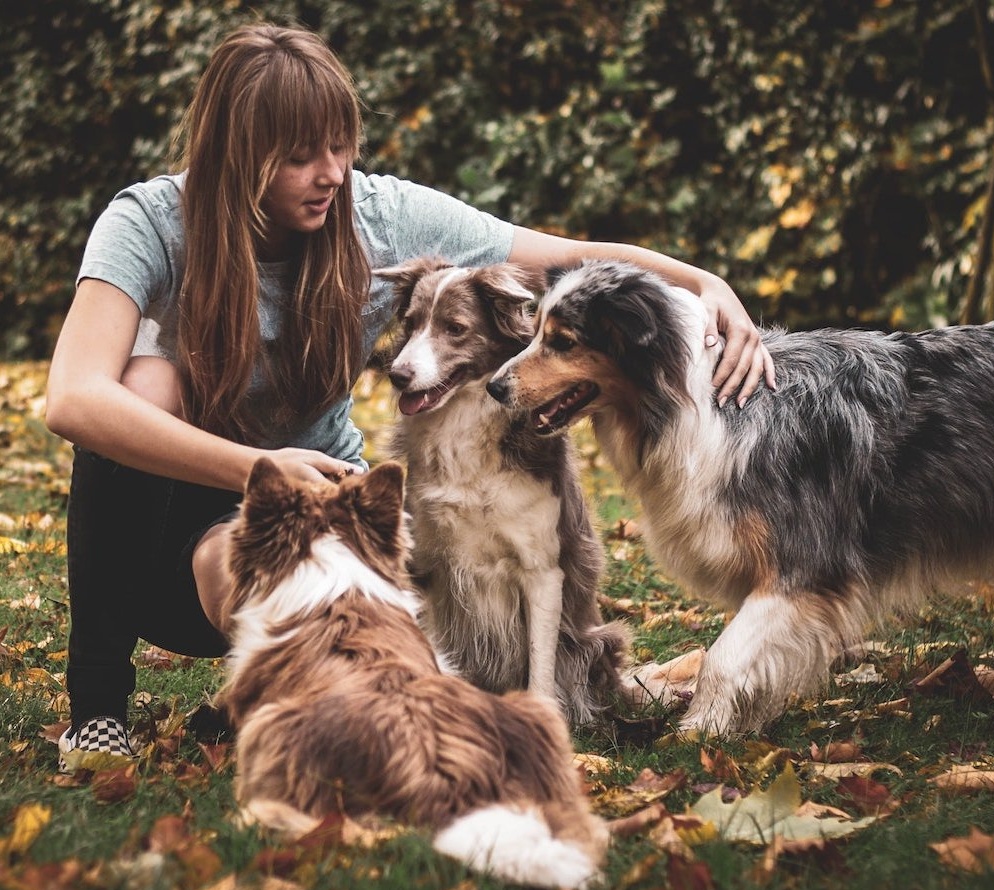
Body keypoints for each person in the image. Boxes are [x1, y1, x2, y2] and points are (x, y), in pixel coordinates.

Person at [44, 22, 774, 770]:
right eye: (300, 156)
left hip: (303, 526)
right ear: (235, 153)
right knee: (143, 380)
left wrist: (704, 283)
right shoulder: (150, 223)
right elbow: (71, 397)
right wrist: (253, 470)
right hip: (156, 535)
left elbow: (565, 256)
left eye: (340, 146)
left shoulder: (376, 217)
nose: (331, 173)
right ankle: (97, 709)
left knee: (298, 622)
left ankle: (293, 683)